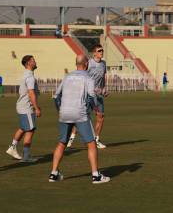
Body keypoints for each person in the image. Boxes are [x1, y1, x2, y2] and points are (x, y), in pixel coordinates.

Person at [49, 54, 110, 184]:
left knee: (62, 143)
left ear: (76, 63)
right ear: (86, 63)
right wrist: (96, 110)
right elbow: (91, 96)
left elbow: (56, 97)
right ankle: (96, 175)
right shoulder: (87, 77)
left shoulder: (67, 77)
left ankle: (53, 173)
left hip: (64, 114)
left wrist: (60, 110)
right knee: (91, 143)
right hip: (80, 114)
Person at [67, 45, 108, 149]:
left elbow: (103, 77)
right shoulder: (89, 63)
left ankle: (96, 139)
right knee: (82, 117)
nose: (101, 52)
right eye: (99, 51)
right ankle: (71, 138)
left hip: (98, 94)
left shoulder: (103, 63)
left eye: (102, 50)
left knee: (101, 117)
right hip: (88, 94)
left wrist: (104, 89)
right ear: (94, 53)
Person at [6, 55, 41, 162]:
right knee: (30, 130)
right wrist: (36, 108)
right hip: (26, 107)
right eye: (33, 60)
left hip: (22, 106)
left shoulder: (26, 75)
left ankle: (12, 147)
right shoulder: (30, 77)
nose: (35, 62)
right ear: (28, 63)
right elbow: (31, 93)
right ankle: (26, 156)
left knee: (23, 128)